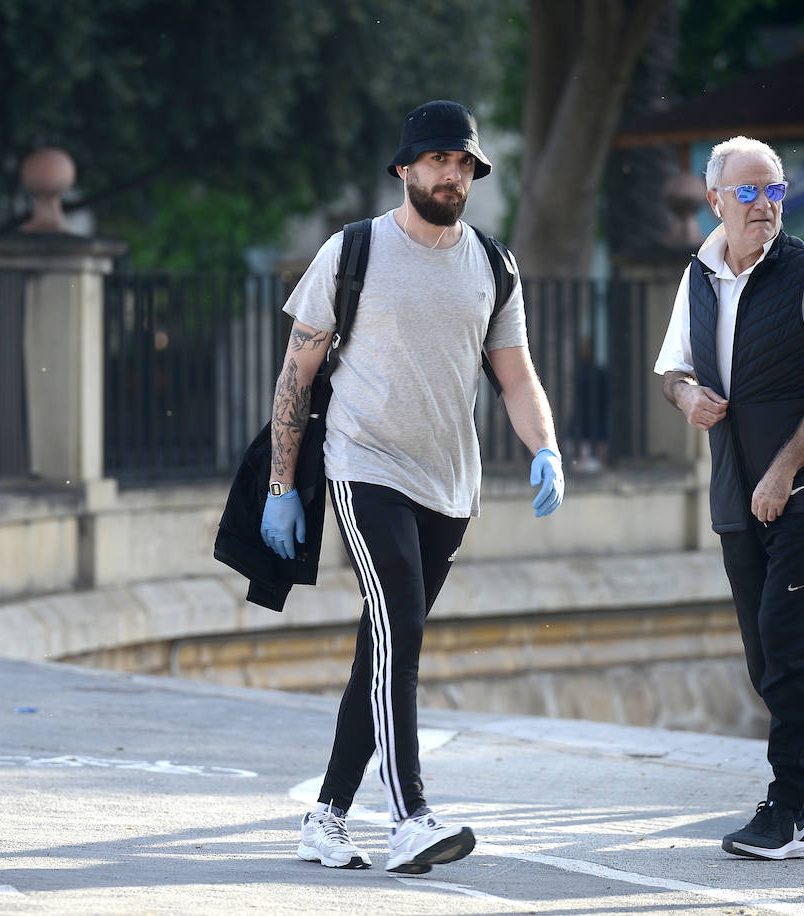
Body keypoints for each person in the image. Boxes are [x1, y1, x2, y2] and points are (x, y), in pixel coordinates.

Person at [262, 100, 564, 874]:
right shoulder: (352, 250)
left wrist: (547, 447)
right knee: (400, 623)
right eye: (437, 161)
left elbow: (516, 373)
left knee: (383, 647)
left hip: (451, 487)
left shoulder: (494, 265)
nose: (451, 175)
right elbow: (297, 374)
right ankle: (410, 817)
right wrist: (281, 484)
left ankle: (326, 816)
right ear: (405, 168)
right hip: (365, 469)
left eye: (463, 164)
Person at [654, 136, 804, 860]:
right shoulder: (699, 278)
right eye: (748, 192)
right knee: (767, 659)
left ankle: (790, 810)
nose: (764, 205)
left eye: (774, 190)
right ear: (716, 201)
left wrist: (782, 471)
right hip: (733, 495)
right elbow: (673, 372)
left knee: (785, 647)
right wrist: (687, 397)